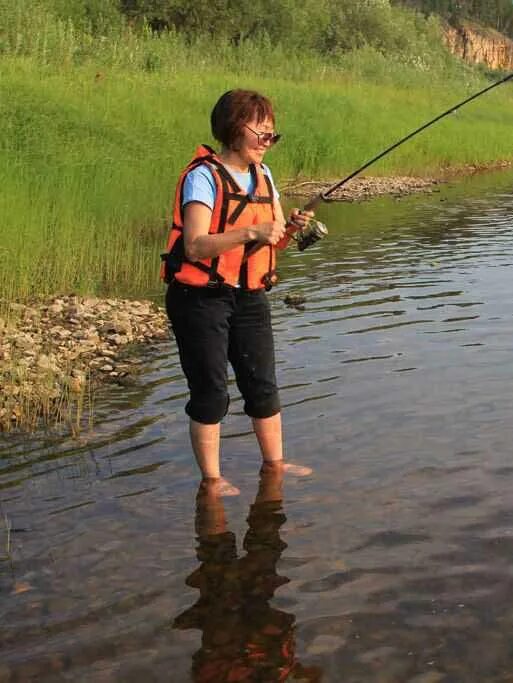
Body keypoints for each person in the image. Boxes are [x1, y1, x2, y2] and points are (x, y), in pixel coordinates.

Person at [161, 89, 314, 496]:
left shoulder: (264, 178)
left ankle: (275, 466)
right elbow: (194, 245)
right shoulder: (202, 177)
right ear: (233, 130)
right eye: (260, 132)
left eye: (271, 134)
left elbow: (273, 242)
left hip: (249, 294)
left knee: (263, 384)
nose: (267, 141)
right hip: (200, 298)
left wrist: (291, 229)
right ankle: (212, 483)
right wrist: (251, 231)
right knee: (211, 391)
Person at [173, 467, 323, 681]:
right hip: (247, 641)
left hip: (240, 637)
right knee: (255, 552)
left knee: (226, 561)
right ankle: (218, 486)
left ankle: (239, 485)